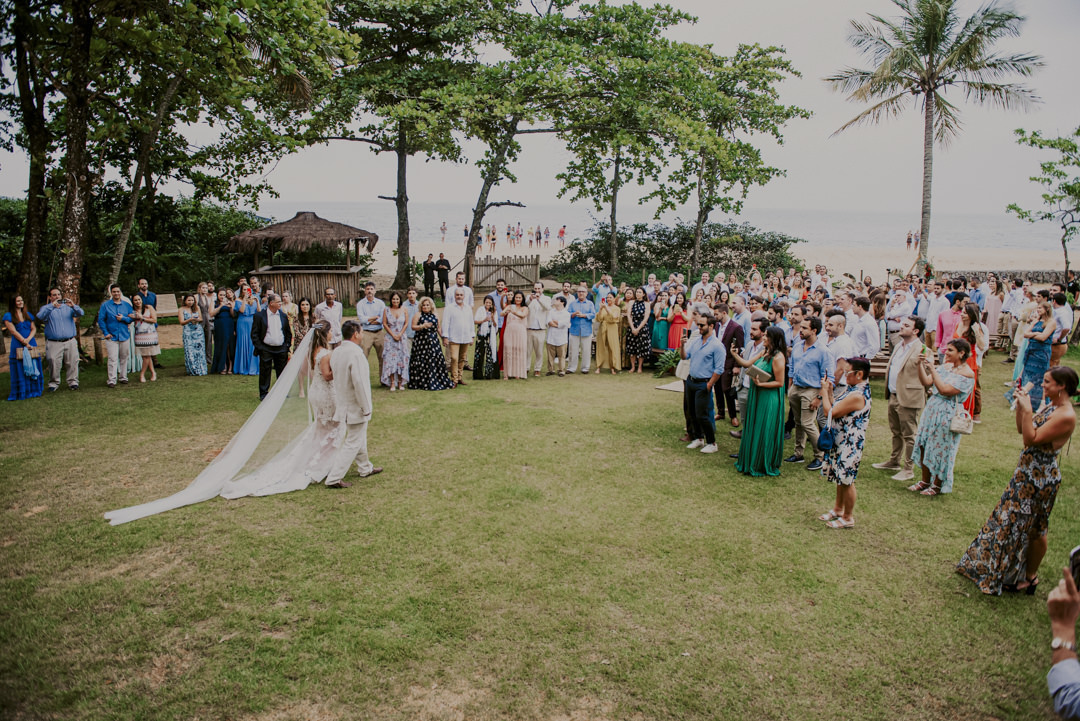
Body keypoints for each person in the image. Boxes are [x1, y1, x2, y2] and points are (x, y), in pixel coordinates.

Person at [956, 366, 1078, 595]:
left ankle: (1030, 577)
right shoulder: (1053, 405)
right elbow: (1023, 432)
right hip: (1026, 473)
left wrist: (1029, 409)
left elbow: (1032, 439)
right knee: (1010, 521)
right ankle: (1007, 571)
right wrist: (1021, 410)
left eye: (1048, 382)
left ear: (1062, 386)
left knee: (1036, 528)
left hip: (1040, 479)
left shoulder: (1066, 415)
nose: (1043, 385)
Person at [908, 338, 976, 496]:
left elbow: (945, 390)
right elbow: (926, 382)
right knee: (924, 443)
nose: (946, 352)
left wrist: (932, 368)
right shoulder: (946, 367)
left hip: (948, 412)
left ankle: (937, 484)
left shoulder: (968, 373)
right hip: (932, 409)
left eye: (951, 350)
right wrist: (920, 365)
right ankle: (925, 480)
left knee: (941, 448)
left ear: (961, 353)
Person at [324, 321, 382, 488]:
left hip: (343, 402)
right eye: (361, 332)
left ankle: (365, 468)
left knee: (358, 437)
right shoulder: (355, 354)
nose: (362, 335)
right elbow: (360, 383)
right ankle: (334, 478)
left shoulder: (337, 351)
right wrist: (366, 407)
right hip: (354, 404)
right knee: (353, 441)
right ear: (356, 334)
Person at [817, 357, 872, 528]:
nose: (844, 376)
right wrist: (831, 391)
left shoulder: (858, 394)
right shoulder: (852, 388)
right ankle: (838, 509)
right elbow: (836, 405)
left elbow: (830, 412)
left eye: (847, 373)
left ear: (859, 374)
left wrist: (824, 392)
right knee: (840, 476)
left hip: (850, 442)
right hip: (840, 438)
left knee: (847, 479)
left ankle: (848, 517)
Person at [872, 316, 928, 482]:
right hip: (894, 394)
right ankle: (894, 460)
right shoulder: (898, 346)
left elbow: (928, 373)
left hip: (909, 397)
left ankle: (908, 468)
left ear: (916, 330)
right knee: (895, 431)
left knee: (910, 434)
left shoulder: (922, 349)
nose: (901, 327)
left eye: (906, 325)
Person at [734, 326, 787, 476]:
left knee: (764, 428)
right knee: (755, 425)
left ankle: (762, 462)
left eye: (766, 336)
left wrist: (761, 384)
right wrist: (734, 355)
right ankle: (751, 459)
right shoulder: (765, 352)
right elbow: (746, 364)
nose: (763, 338)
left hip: (768, 397)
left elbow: (780, 383)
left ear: (774, 339)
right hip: (757, 394)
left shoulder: (778, 357)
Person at [786, 317, 834, 471]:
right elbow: (792, 367)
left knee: (808, 423)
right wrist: (790, 387)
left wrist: (819, 397)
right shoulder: (798, 346)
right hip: (796, 388)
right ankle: (798, 453)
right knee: (798, 422)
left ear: (814, 330)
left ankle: (820, 455)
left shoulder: (823, 351)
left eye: (805, 328)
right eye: (801, 328)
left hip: (811, 390)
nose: (801, 330)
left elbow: (827, 377)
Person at [681, 312, 725, 455]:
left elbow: (719, 368)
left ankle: (712, 442)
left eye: (702, 325)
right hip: (691, 380)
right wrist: (682, 345)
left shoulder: (717, 345)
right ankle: (699, 438)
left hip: (703, 383)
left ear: (711, 326)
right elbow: (685, 356)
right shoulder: (696, 340)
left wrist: (709, 384)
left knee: (702, 414)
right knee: (692, 412)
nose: (698, 327)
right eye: (698, 324)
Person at [36, 287, 83, 391]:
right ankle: (53, 383)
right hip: (54, 342)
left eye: (58, 295)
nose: (57, 297)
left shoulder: (68, 308)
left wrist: (73, 305)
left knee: (72, 361)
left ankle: (73, 382)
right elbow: (40, 316)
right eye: (54, 295)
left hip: (70, 340)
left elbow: (81, 313)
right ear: (50, 297)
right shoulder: (46, 308)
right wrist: (51, 307)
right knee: (53, 361)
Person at [408, 297, 454, 390]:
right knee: (421, 361)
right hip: (421, 342)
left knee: (434, 360)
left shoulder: (435, 315)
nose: (425, 307)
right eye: (423, 305)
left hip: (433, 342)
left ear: (431, 305)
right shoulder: (418, 314)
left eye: (427, 305)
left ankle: (435, 379)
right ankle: (421, 381)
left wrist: (443, 338)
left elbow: (438, 328)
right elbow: (413, 327)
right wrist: (422, 326)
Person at [4, 294, 44, 400]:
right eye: (18, 301)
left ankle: (34, 390)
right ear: (13, 303)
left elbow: (34, 329)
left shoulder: (28, 315)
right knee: (20, 366)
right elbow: (13, 331)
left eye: (21, 300)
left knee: (33, 363)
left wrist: (28, 339)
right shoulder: (8, 316)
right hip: (18, 343)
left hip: (31, 342)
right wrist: (24, 341)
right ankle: (21, 391)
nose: (20, 302)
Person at [97, 284, 136, 388]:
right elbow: (101, 320)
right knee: (113, 358)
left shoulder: (126, 305)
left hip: (124, 334)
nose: (116, 293)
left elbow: (131, 318)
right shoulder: (106, 305)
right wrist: (105, 332)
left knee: (124, 357)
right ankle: (111, 379)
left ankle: (123, 377)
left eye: (118, 291)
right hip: (112, 335)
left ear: (120, 292)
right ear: (111, 293)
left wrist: (123, 318)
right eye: (114, 292)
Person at [1019, 302, 1057, 409]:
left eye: (1040, 308)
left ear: (1047, 309)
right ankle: (1026, 399)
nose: (1038, 310)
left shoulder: (1051, 322)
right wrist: (1036, 334)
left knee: (1040, 376)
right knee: (1029, 373)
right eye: (1037, 308)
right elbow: (1025, 334)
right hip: (1031, 351)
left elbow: (1044, 337)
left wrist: (1034, 335)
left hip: (1042, 352)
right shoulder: (1036, 321)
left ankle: (1041, 402)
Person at [441, 288, 475, 385]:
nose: (459, 296)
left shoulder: (468, 308)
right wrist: (445, 337)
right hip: (453, 338)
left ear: (464, 296)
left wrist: (472, 336)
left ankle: (459, 377)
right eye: (457, 295)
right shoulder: (449, 308)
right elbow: (445, 323)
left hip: (465, 337)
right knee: (454, 358)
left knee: (462, 358)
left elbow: (471, 322)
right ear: (454, 296)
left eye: (461, 295)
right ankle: (454, 379)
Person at [356, 282, 387, 383]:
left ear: (375, 290)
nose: (369, 291)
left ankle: (384, 380)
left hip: (379, 332)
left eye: (371, 289)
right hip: (366, 332)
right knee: (363, 357)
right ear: (365, 291)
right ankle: (362, 381)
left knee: (383, 357)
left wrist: (369, 320)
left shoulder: (380, 303)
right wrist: (374, 317)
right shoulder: (360, 304)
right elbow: (362, 319)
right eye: (367, 289)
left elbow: (382, 318)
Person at [380, 291, 409, 391]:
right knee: (390, 360)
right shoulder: (386, 310)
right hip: (390, 338)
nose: (395, 301)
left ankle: (401, 382)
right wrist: (393, 335)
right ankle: (392, 382)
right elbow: (384, 323)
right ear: (391, 300)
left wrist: (400, 334)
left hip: (401, 337)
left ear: (400, 300)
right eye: (393, 299)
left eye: (397, 299)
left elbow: (406, 323)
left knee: (401, 359)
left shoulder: (404, 309)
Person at [567, 287, 596, 374]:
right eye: (579, 292)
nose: (581, 293)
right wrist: (574, 314)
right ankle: (572, 367)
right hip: (574, 329)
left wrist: (584, 315)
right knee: (573, 350)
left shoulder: (590, 304)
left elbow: (593, 314)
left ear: (586, 293)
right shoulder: (572, 304)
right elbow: (567, 314)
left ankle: (585, 368)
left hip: (586, 329)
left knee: (586, 350)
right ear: (577, 293)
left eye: (583, 292)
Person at [500, 290, 529, 379]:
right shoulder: (510, 306)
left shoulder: (525, 308)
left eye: (519, 297)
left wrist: (513, 312)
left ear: (522, 299)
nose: (518, 299)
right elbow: (501, 313)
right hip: (509, 330)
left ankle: (518, 373)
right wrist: (506, 311)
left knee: (519, 350)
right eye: (516, 297)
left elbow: (523, 315)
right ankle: (507, 373)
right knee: (508, 350)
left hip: (520, 331)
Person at [233, 285, 261, 375]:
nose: (246, 291)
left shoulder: (253, 300)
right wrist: (244, 299)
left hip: (252, 322)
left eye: (248, 290)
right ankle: (242, 367)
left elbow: (259, 312)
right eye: (244, 290)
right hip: (242, 323)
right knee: (243, 343)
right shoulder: (238, 300)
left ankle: (253, 367)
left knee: (252, 343)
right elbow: (241, 311)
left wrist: (257, 301)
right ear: (241, 291)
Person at [131, 293, 159, 382]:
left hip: (149, 335)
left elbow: (154, 320)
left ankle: (142, 374)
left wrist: (142, 318)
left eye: (139, 299)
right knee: (146, 355)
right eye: (135, 300)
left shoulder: (149, 307)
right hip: (139, 335)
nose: (138, 302)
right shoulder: (133, 310)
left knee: (146, 356)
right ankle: (153, 372)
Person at [179, 294, 208, 377]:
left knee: (199, 350)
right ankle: (193, 369)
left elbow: (201, 318)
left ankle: (201, 368)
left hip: (198, 331)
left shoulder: (197, 308)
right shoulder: (181, 309)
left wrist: (197, 320)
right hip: (188, 331)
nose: (191, 302)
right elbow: (181, 322)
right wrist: (190, 319)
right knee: (190, 350)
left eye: (192, 300)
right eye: (189, 300)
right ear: (185, 301)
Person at [526, 282, 552, 377]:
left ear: (542, 289)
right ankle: (526, 368)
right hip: (529, 328)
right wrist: (531, 299)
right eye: (535, 288)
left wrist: (539, 299)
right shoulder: (529, 297)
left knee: (539, 351)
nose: (537, 290)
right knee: (528, 350)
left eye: (539, 289)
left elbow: (547, 307)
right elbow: (526, 304)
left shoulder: (547, 298)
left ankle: (537, 369)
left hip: (540, 328)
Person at [473, 296, 501, 380]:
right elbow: (475, 321)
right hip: (481, 334)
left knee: (491, 353)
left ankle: (490, 374)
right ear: (484, 302)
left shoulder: (494, 312)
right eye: (487, 302)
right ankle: (478, 374)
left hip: (490, 335)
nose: (488, 304)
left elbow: (496, 325)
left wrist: (492, 317)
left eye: (490, 303)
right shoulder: (480, 310)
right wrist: (483, 320)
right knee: (479, 353)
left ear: (492, 304)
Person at [210, 288, 237, 375]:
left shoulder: (230, 302)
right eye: (220, 295)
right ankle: (222, 365)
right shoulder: (214, 303)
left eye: (224, 295)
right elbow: (211, 314)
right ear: (217, 295)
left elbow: (233, 315)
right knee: (221, 345)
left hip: (229, 324)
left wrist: (231, 307)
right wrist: (221, 306)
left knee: (229, 345)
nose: (222, 296)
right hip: (220, 325)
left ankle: (230, 365)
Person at [594, 293, 622, 374]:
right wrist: (600, 309)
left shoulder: (617, 308)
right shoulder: (603, 308)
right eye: (607, 297)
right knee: (601, 346)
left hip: (612, 327)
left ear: (614, 299)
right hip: (603, 327)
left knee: (612, 347)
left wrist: (606, 308)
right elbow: (598, 318)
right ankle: (599, 366)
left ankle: (612, 366)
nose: (608, 299)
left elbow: (614, 316)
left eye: (610, 297)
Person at [625, 287, 651, 374]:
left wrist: (638, 328)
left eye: (640, 292)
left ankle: (640, 367)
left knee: (641, 348)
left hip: (642, 327)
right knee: (632, 347)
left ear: (643, 294)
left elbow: (646, 317)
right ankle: (633, 366)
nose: (638, 294)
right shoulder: (631, 302)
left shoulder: (647, 304)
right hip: (632, 326)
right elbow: (629, 315)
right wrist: (632, 328)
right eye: (637, 292)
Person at [545, 295, 571, 376]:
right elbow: (549, 321)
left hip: (562, 337)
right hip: (551, 336)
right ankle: (551, 369)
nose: (555, 302)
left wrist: (557, 323)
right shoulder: (551, 311)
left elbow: (564, 324)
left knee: (561, 355)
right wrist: (557, 323)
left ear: (562, 302)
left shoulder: (566, 313)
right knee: (550, 355)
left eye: (557, 300)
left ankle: (561, 370)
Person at [1051, 292, 1073, 368]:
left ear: (1054, 301)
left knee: (1052, 365)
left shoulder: (1062, 312)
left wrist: (1059, 339)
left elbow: (1067, 327)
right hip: (1057, 343)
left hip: (1057, 344)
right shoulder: (1059, 311)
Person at [196, 281, 215, 364]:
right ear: (199, 289)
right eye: (203, 288)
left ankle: (208, 358)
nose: (205, 289)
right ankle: (200, 357)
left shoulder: (208, 298)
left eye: (206, 288)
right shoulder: (196, 297)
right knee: (199, 338)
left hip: (207, 318)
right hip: (200, 318)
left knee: (209, 339)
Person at [651, 290, 670, 355]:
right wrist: (661, 309)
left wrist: (663, 318)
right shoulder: (657, 304)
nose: (664, 297)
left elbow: (670, 318)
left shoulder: (670, 306)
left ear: (669, 297)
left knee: (665, 343)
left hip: (666, 326)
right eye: (662, 295)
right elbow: (656, 316)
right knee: (657, 343)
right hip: (658, 325)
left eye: (665, 295)